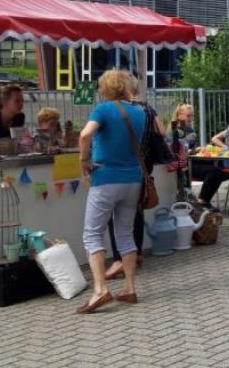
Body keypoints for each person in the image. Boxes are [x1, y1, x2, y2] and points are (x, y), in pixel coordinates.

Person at [76, 69, 147, 313]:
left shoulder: (104, 109)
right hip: (133, 179)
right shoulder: (140, 112)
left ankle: (100, 290)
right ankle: (129, 288)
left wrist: (83, 159)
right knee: (125, 233)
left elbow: (85, 134)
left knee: (92, 234)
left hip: (106, 178)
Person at [105, 79, 168, 282]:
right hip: (144, 164)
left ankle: (118, 259)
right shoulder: (147, 109)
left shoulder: (118, 110)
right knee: (137, 210)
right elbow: (162, 132)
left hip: (122, 165)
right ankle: (137, 253)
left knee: (116, 215)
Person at [166, 103, 198, 200]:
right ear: (179, 115)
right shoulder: (174, 129)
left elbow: (188, 148)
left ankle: (189, 199)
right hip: (176, 165)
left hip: (186, 162)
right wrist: (193, 150)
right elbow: (174, 150)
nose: (191, 118)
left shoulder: (188, 129)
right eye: (188, 115)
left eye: (192, 115)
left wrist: (194, 150)